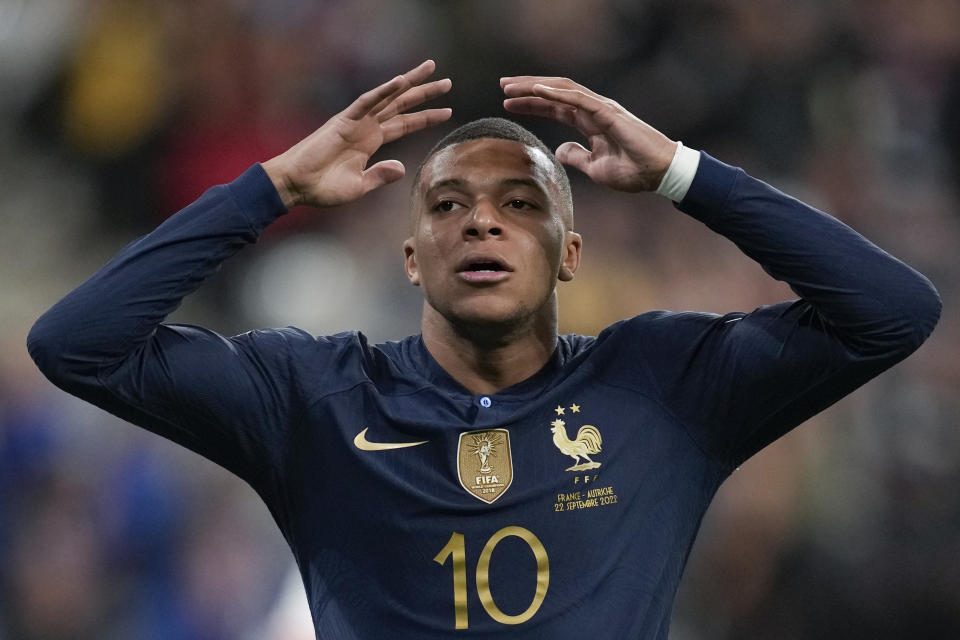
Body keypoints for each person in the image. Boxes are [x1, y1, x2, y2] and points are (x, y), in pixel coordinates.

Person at [27, 59, 940, 639]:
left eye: (522, 204)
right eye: (450, 205)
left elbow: (891, 311)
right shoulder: (315, 396)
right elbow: (78, 345)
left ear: (570, 255)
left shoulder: (663, 386)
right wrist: (271, 188)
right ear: (413, 258)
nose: (483, 225)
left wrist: (679, 172)